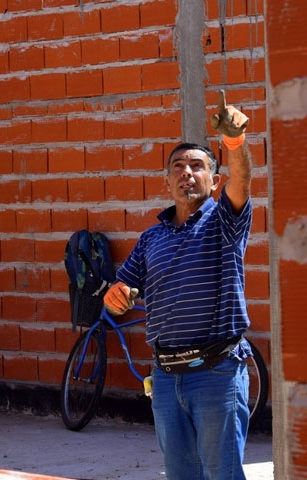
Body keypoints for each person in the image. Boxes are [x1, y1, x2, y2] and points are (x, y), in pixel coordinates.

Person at [103, 91, 252, 480]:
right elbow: (120, 293)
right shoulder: (151, 238)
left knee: (223, 474)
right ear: (167, 180)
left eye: (197, 166)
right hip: (166, 378)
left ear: (214, 179)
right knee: (181, 475)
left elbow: (243, 181)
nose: (187, 172)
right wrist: (115, 298)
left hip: (217, 372)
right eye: (178, 166)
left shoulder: (224, 223)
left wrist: (234, 143)